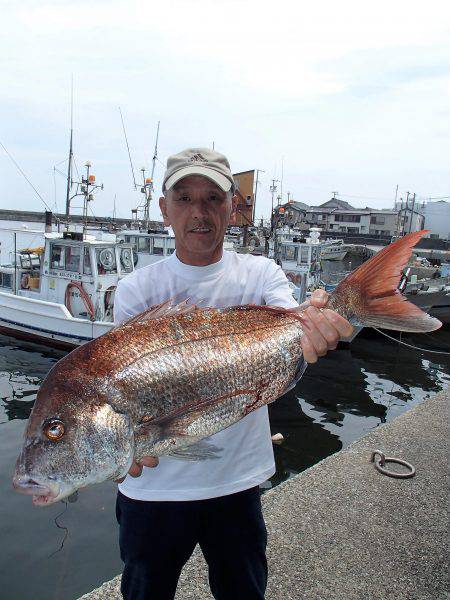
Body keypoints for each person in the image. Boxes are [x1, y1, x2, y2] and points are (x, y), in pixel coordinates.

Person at [113, 148, 354, 600]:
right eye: (183, 199)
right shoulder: (136, 290)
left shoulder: (261, 273)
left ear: (234, 209)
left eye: (212, 198)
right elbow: (123, 390)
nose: (198, 213)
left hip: (238, 482)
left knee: (243, 591)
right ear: (164, 210)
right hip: (153, 493)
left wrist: (317, 325)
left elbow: (290, 321)